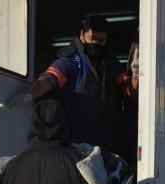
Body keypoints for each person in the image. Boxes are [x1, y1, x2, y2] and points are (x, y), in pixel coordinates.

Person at [28, 15, 138, 148]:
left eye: (101, 40)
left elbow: (129, 91)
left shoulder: (111, 63)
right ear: (82, 35)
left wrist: (137, 75)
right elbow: (49, 79)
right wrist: (29, 95)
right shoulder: (69, 61)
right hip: (75, 145)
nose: (96, 43)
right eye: (92, 38)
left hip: (106, 144)